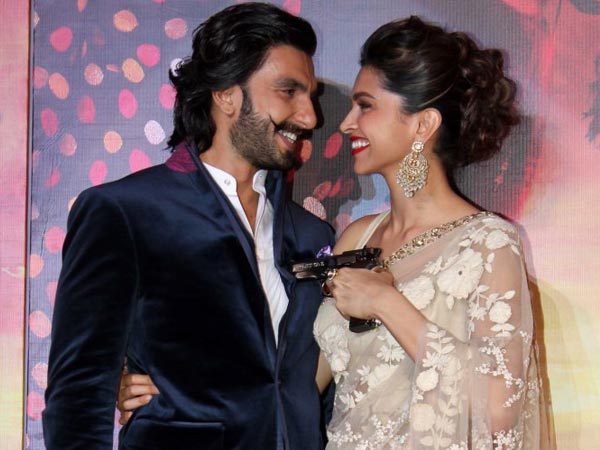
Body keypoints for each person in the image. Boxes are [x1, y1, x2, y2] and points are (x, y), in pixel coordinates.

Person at [119, 15, 551, 450]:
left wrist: (385, 302)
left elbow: (500, 406)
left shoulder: (488, 243)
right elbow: (292, 383)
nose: (345, 123)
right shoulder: (355, 239)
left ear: (422, 125)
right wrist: (172, 386)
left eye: (366, 106)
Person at [42, 3, 334, 450]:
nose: (310, 117)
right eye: (288, 91)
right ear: (226, 94)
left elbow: (313, 388)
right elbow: (78, 393)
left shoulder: (314, 236)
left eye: (310, 95)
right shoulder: (124, 212)